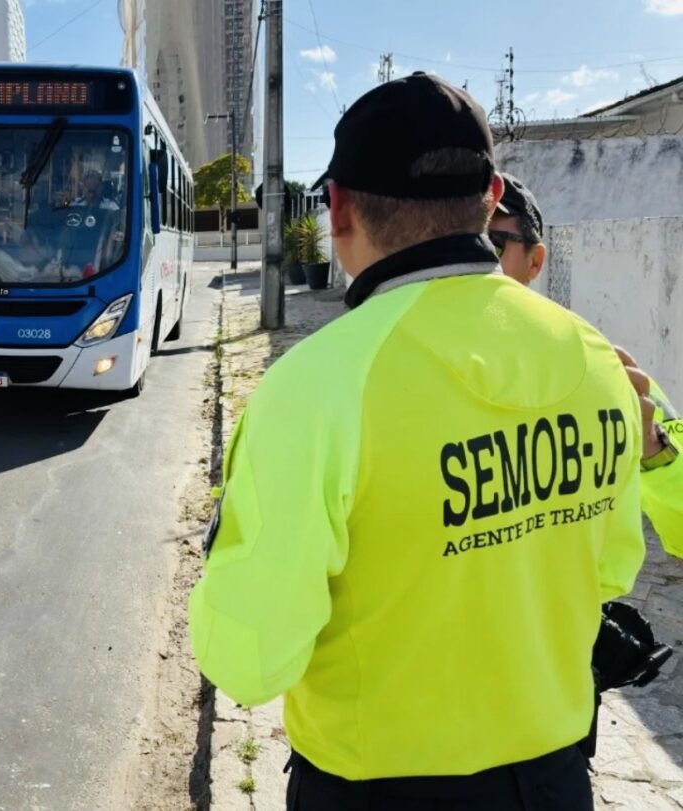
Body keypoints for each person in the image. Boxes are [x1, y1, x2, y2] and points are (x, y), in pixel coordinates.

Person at [188, 72, 647, 810]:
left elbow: (250, 658)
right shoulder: (595, 357)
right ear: (493, 195)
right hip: (554, 781)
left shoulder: (314, 387)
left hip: (375, 787)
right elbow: (612, 567)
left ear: (336, 209)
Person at [491, 172, 682, 554]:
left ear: (536, 261)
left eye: (493, 245)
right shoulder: (401, 372)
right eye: (464, 245)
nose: (474, 263)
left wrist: (650, 447)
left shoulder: (605, 369)